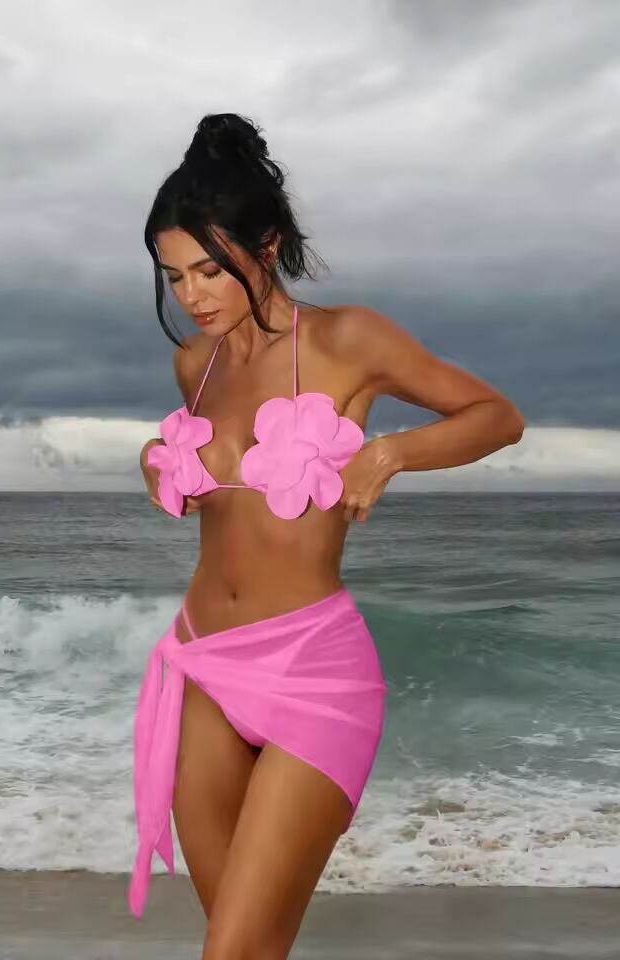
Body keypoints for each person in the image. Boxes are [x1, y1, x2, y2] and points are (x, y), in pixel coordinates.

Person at [130, 112, 524, 959]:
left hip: (312, 671)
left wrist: (392, 453)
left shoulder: (348, 341)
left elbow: (496, 415)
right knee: (245, 949)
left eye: (210, 269)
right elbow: (203, 482)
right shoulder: (194, 364)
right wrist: (157, 465)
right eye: (175, 276)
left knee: (232, 952)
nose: (192, 295)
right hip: (202, 663)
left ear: (266, 247)